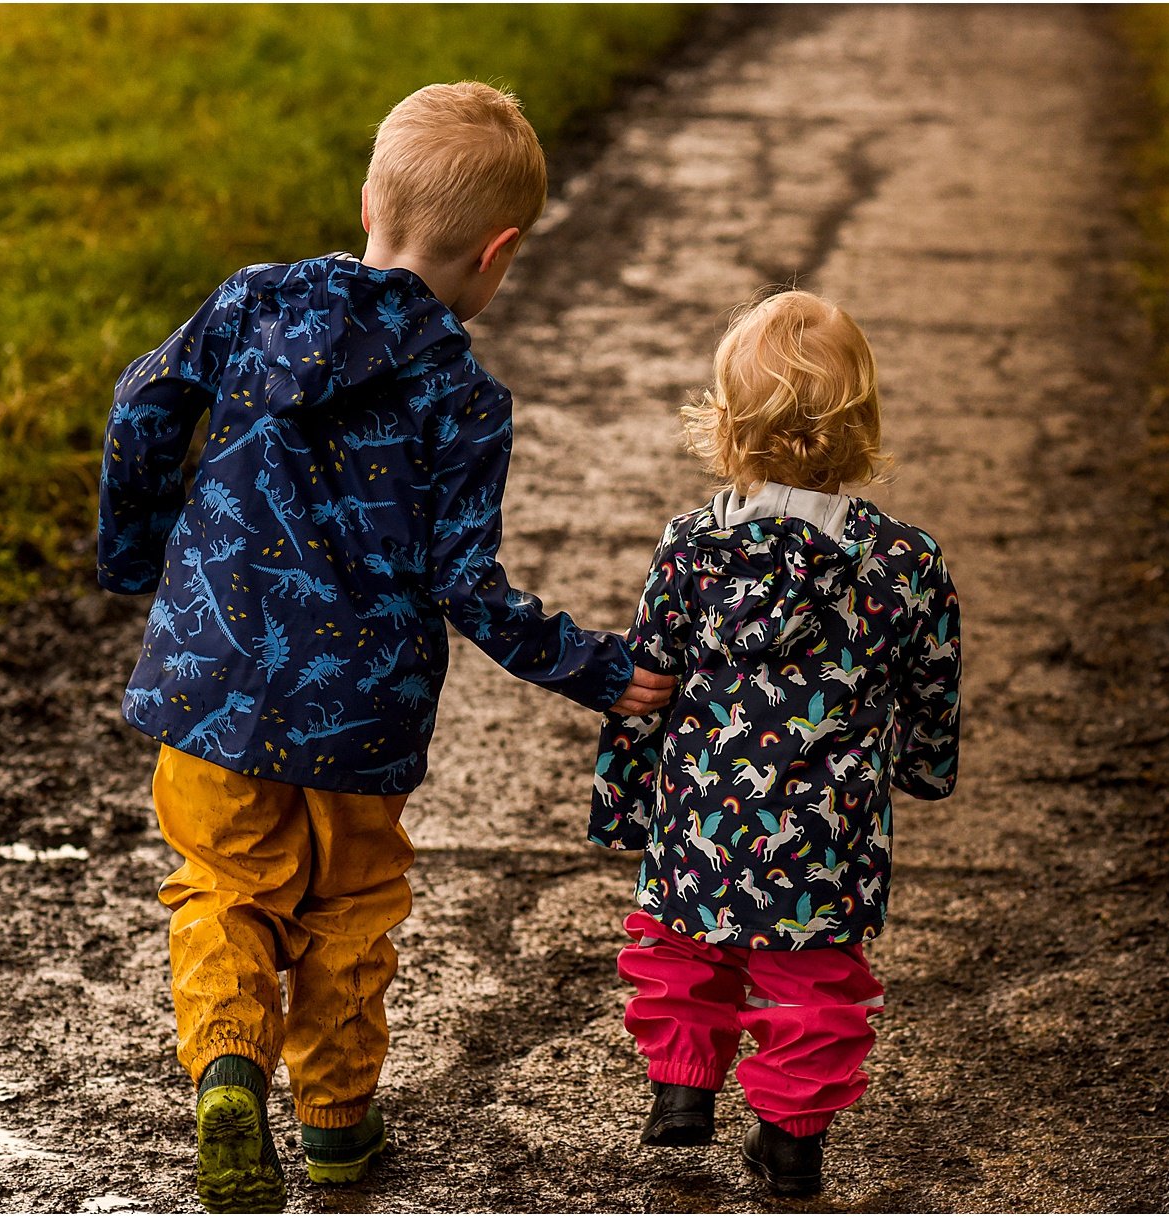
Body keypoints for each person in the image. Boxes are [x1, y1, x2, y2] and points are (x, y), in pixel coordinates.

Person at [97, 81, 673, 1213]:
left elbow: (142, 405)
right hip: (361, 717)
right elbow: (466, 584)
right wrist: (601, 670)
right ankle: (336, 1127)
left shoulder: (251, 303)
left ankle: (225, 1067)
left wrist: (140, 553)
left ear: (369, 197)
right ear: (496, 254)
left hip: (209, 693)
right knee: (349, 913)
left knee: (223, 886)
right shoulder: (463, 398)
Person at [588, 289, 962, 1197]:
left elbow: (645, 683)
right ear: (862, 427)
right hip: (826, 838)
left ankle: (683, 1088)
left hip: (700, 823)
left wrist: (628, 803)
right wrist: (923, 767)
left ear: (724, 426)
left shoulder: (689, 548)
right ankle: (791, 1140)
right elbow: (932, 681)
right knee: (813, 986)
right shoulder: (904, 562)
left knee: (684, 947)